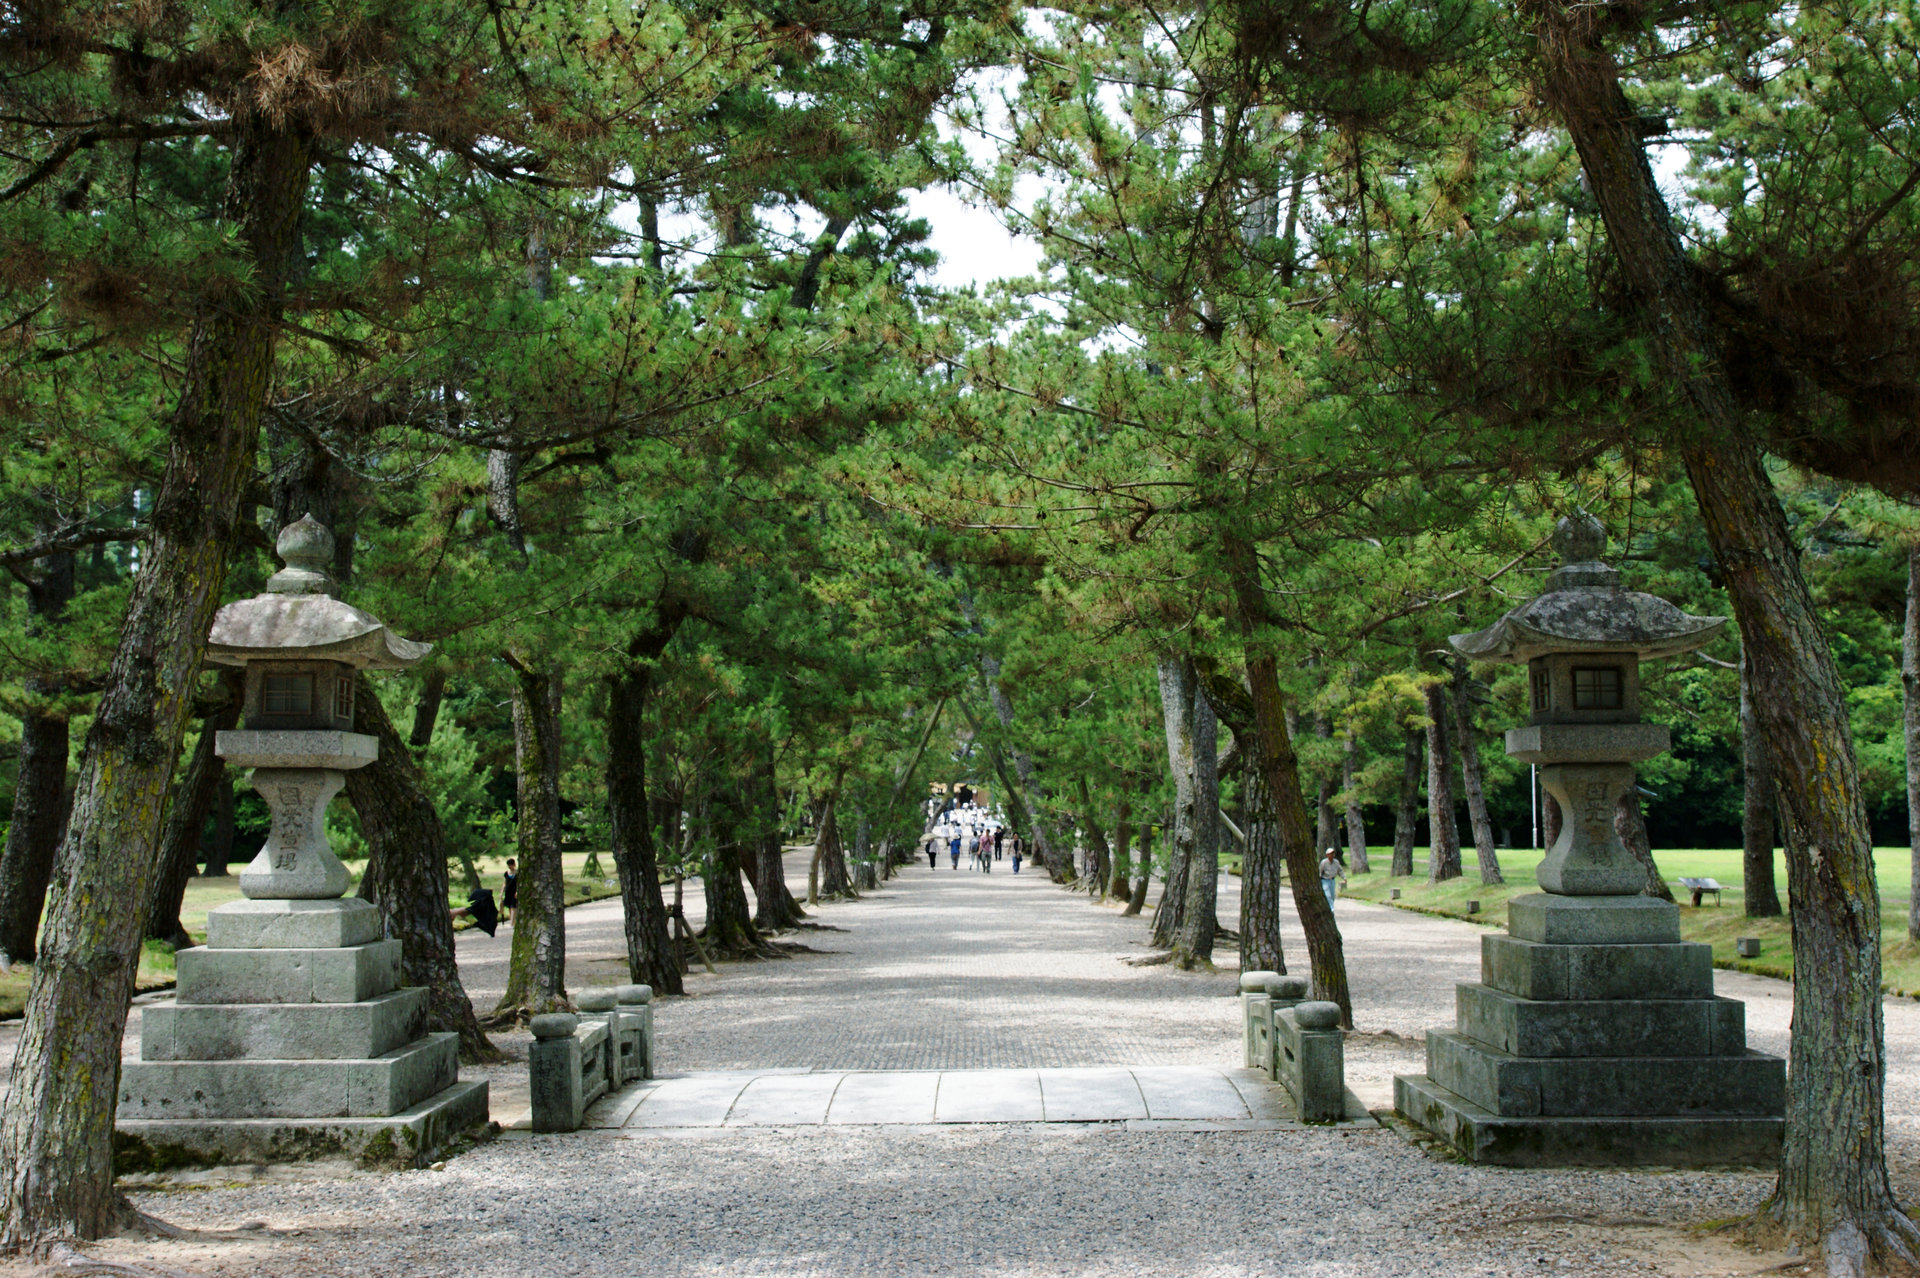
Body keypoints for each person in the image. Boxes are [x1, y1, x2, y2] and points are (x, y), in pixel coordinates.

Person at [502, 857, 518, 926]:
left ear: (514, 864)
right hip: (508, 891)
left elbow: (519, 883)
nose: (510, 866)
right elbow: (505, 883)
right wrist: (501, 892)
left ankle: (512, 922)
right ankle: (513, 921)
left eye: (511, 864)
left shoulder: (517, 873)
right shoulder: (506, 873)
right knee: (509, 906)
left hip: (514, 892)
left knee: (513, 906)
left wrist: (517, 891)